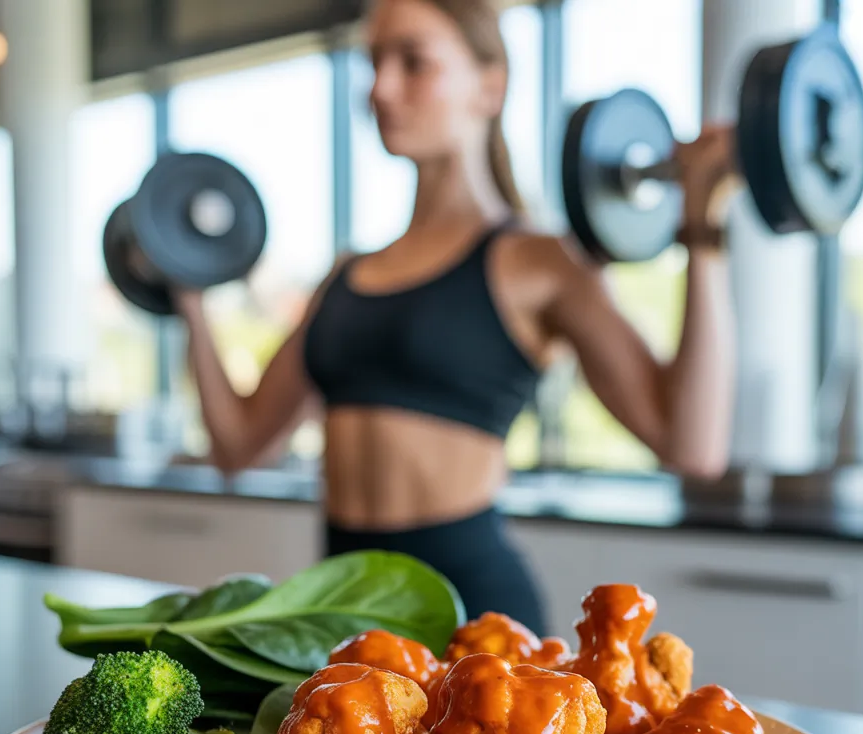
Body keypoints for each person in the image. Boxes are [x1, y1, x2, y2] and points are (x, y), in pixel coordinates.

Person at [173, 0, 736, 636]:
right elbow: (238, 446)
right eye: (374, 63)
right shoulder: (346, 275)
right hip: (341, 619)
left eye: (413, 62)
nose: (381, 88)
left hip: (477, 622)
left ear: (490, 85)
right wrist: (188, 296)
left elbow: (692, 444)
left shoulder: (538, 262)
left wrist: (703, 229)